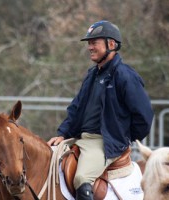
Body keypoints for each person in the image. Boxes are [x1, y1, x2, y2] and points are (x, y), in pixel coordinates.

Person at [47, 20, 154, 200]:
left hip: (104, 142)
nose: (89, 47)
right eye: (89, 43)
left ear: (111, 44)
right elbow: (76, 108)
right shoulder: (92, 74)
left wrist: (122, 138)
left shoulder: (125, 76)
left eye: (94, 42)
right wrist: (63, 133)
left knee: (81, 179)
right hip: (81, 138)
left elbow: (144, 115)